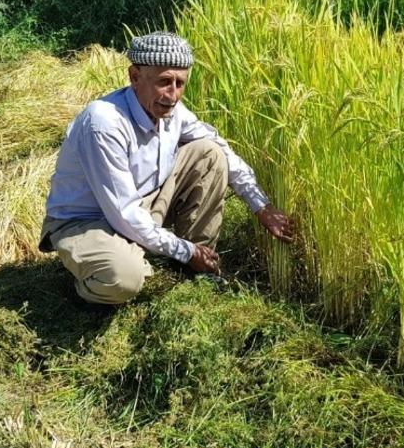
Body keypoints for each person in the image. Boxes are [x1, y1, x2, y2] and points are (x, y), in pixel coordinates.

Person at [39, 31, 294, 304]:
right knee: (122, 280)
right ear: (135, 76)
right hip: (87, 221)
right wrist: (183, 250)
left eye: (180, 83)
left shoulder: (173, 111)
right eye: (164, 82)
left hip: (140, 204)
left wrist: (262, 206)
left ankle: (198, 263)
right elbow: (122, 212)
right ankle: (85, 287)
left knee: (209, 152)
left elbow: (220, 148)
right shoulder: (104, 124)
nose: (173, 95)